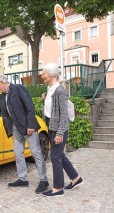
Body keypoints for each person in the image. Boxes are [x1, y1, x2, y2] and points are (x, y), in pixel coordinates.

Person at [0, 74, 49, 194]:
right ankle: (22, 179)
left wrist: (31, 125)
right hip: (16, 128)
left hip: (28, 127)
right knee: (17, 152)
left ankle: (44, 180)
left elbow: (30, 107)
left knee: (36, 152)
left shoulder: (18, 89)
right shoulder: (3, 96)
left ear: (2, 82)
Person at [40, 63, 83, 197]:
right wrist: (44, 100)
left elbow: (63, 115)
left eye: (44, 73)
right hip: (52, 126)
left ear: (52, 75)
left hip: (59, 129)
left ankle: (58, 188)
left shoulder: (60, 91)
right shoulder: (50, 89)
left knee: (55, 156)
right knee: (60, 155)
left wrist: (59, 133)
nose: (42, 76)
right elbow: (52, 110)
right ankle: (75, 179)